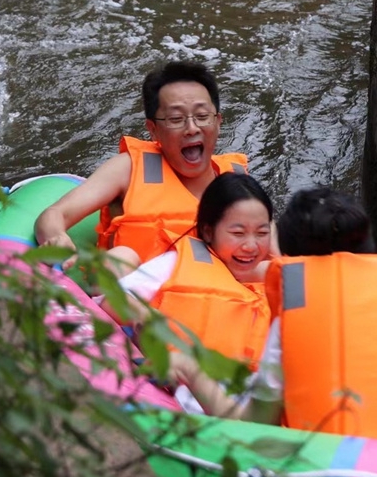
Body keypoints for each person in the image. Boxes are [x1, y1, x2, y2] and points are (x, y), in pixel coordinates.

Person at [171, 186, 377, 451]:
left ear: (297, 260)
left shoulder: (297, 307)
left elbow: (251, 427)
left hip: (341, 476)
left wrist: (189, 369)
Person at [34, 61, 249, 269]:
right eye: (176, 119)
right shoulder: (128, 169)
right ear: (153, 129)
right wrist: (56, 237)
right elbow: (55, 215)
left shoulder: (240, 185)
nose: (192, 128)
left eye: (202, 116)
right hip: (134, 298)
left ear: (218, 122)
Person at [110, 172, 274, 414]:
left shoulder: (274, 283)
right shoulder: (177, 263)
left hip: (252, 413)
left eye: (261, 233)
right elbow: (115, 298)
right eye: (238, 234)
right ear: (208, 232)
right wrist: (146, 320)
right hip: (193, 411)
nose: (251, 246)